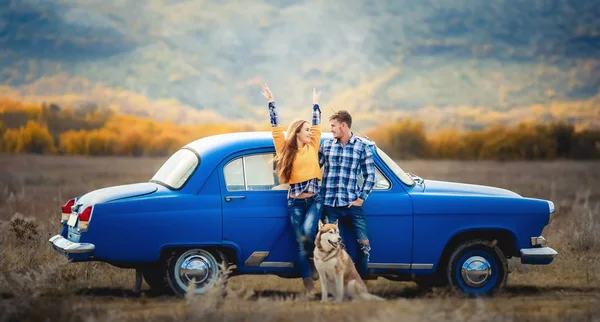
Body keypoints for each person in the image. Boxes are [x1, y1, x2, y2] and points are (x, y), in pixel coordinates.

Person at [261, 83, 323, 293]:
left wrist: (315, 104)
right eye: (306, 130)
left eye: (309, 130)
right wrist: (271, 101)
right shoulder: (285, 149)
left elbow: (316, 125)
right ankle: (308, 284)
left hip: (315, 200)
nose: (310, 133)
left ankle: (314, 262)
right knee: (299, 244)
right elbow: (275, 128)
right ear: (297, 132)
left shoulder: (313, 146)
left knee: (307, 232)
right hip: (295, 202)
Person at [318, 110, 376, 280]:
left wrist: (361, 199)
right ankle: (340, 286)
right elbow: (313, 169)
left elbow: (370, 176)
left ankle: (359, 285)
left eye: (333, 126)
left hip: (352, 206)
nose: (331, 130)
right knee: (336, 249)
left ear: (343, 125)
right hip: (331, 207)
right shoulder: (327, 146)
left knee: (364, 246)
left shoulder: (362, 147)